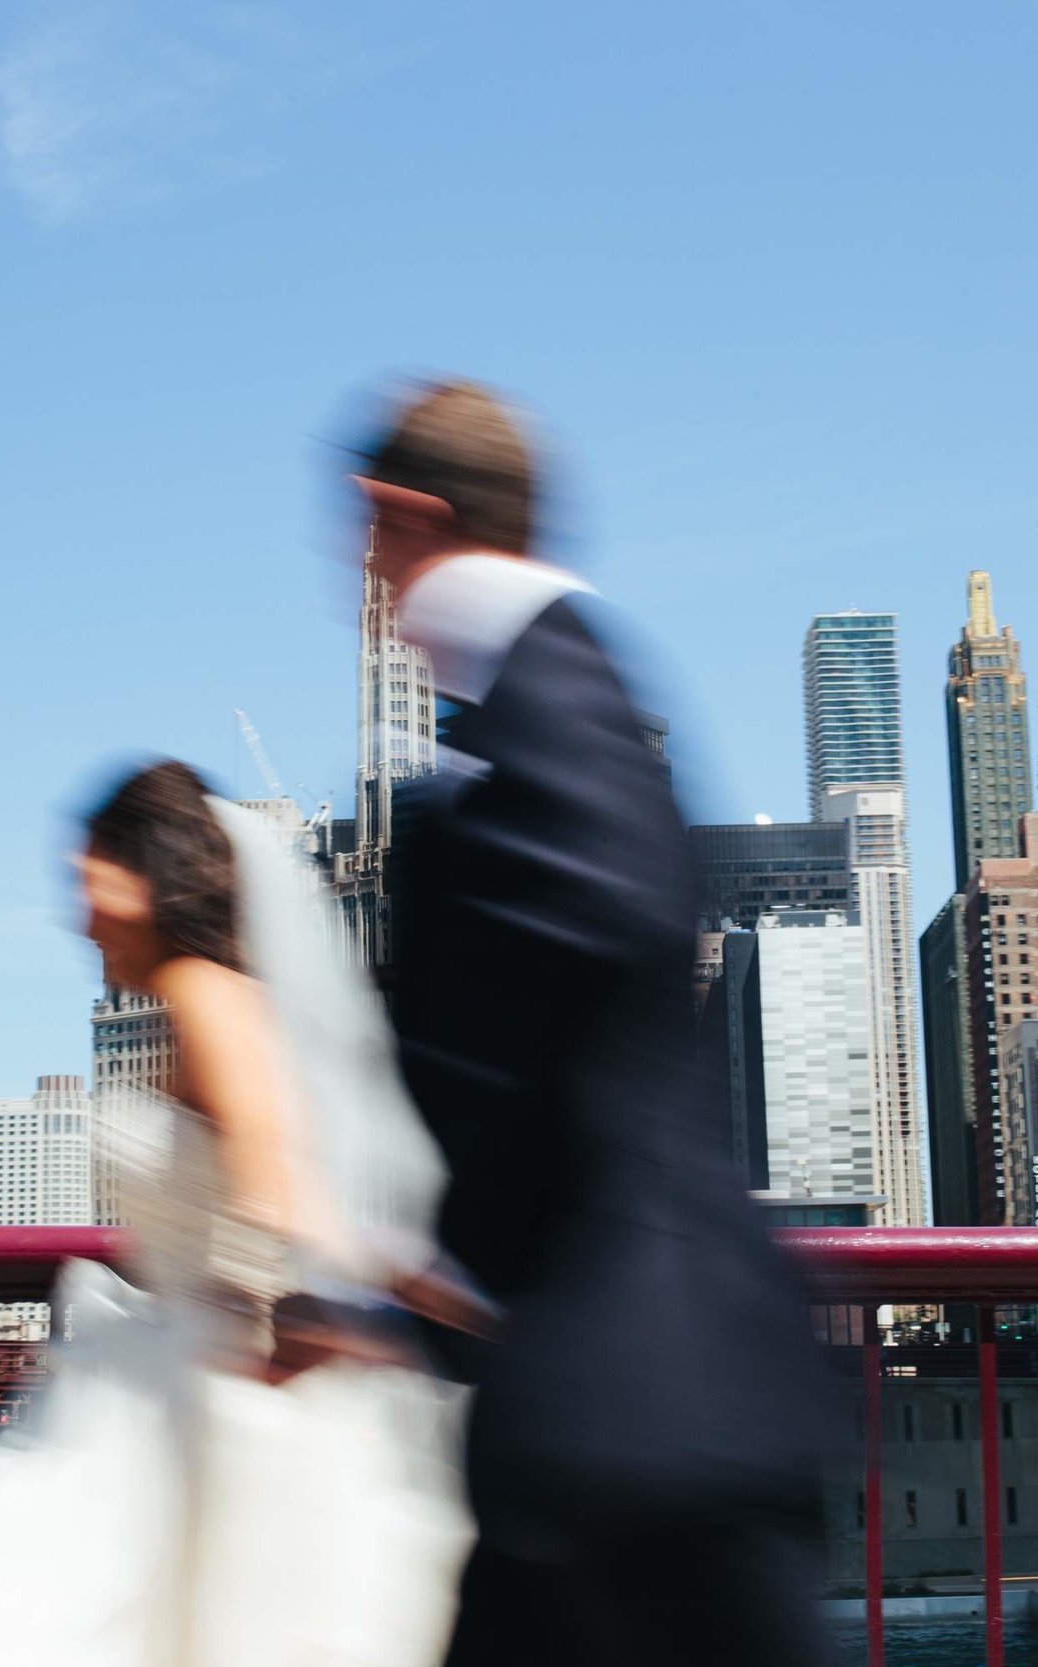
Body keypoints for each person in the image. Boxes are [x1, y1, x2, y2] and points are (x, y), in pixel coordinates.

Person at [358, 379, 829, 1667]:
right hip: (611, 1422)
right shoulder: (562, 698)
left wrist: (435, 1265)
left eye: (363, 535)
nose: (361, 571)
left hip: (635, 1430)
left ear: (396, 511)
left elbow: (599, 934)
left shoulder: (545, 713)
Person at [0, 761, 473, 1667]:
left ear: (144, 873)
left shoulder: (205, 990)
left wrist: (265, 1307)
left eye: (86, 882)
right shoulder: (213, 997)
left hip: (200, 1384)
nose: (76, 916)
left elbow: (271, 1158)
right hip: (182, 1368)